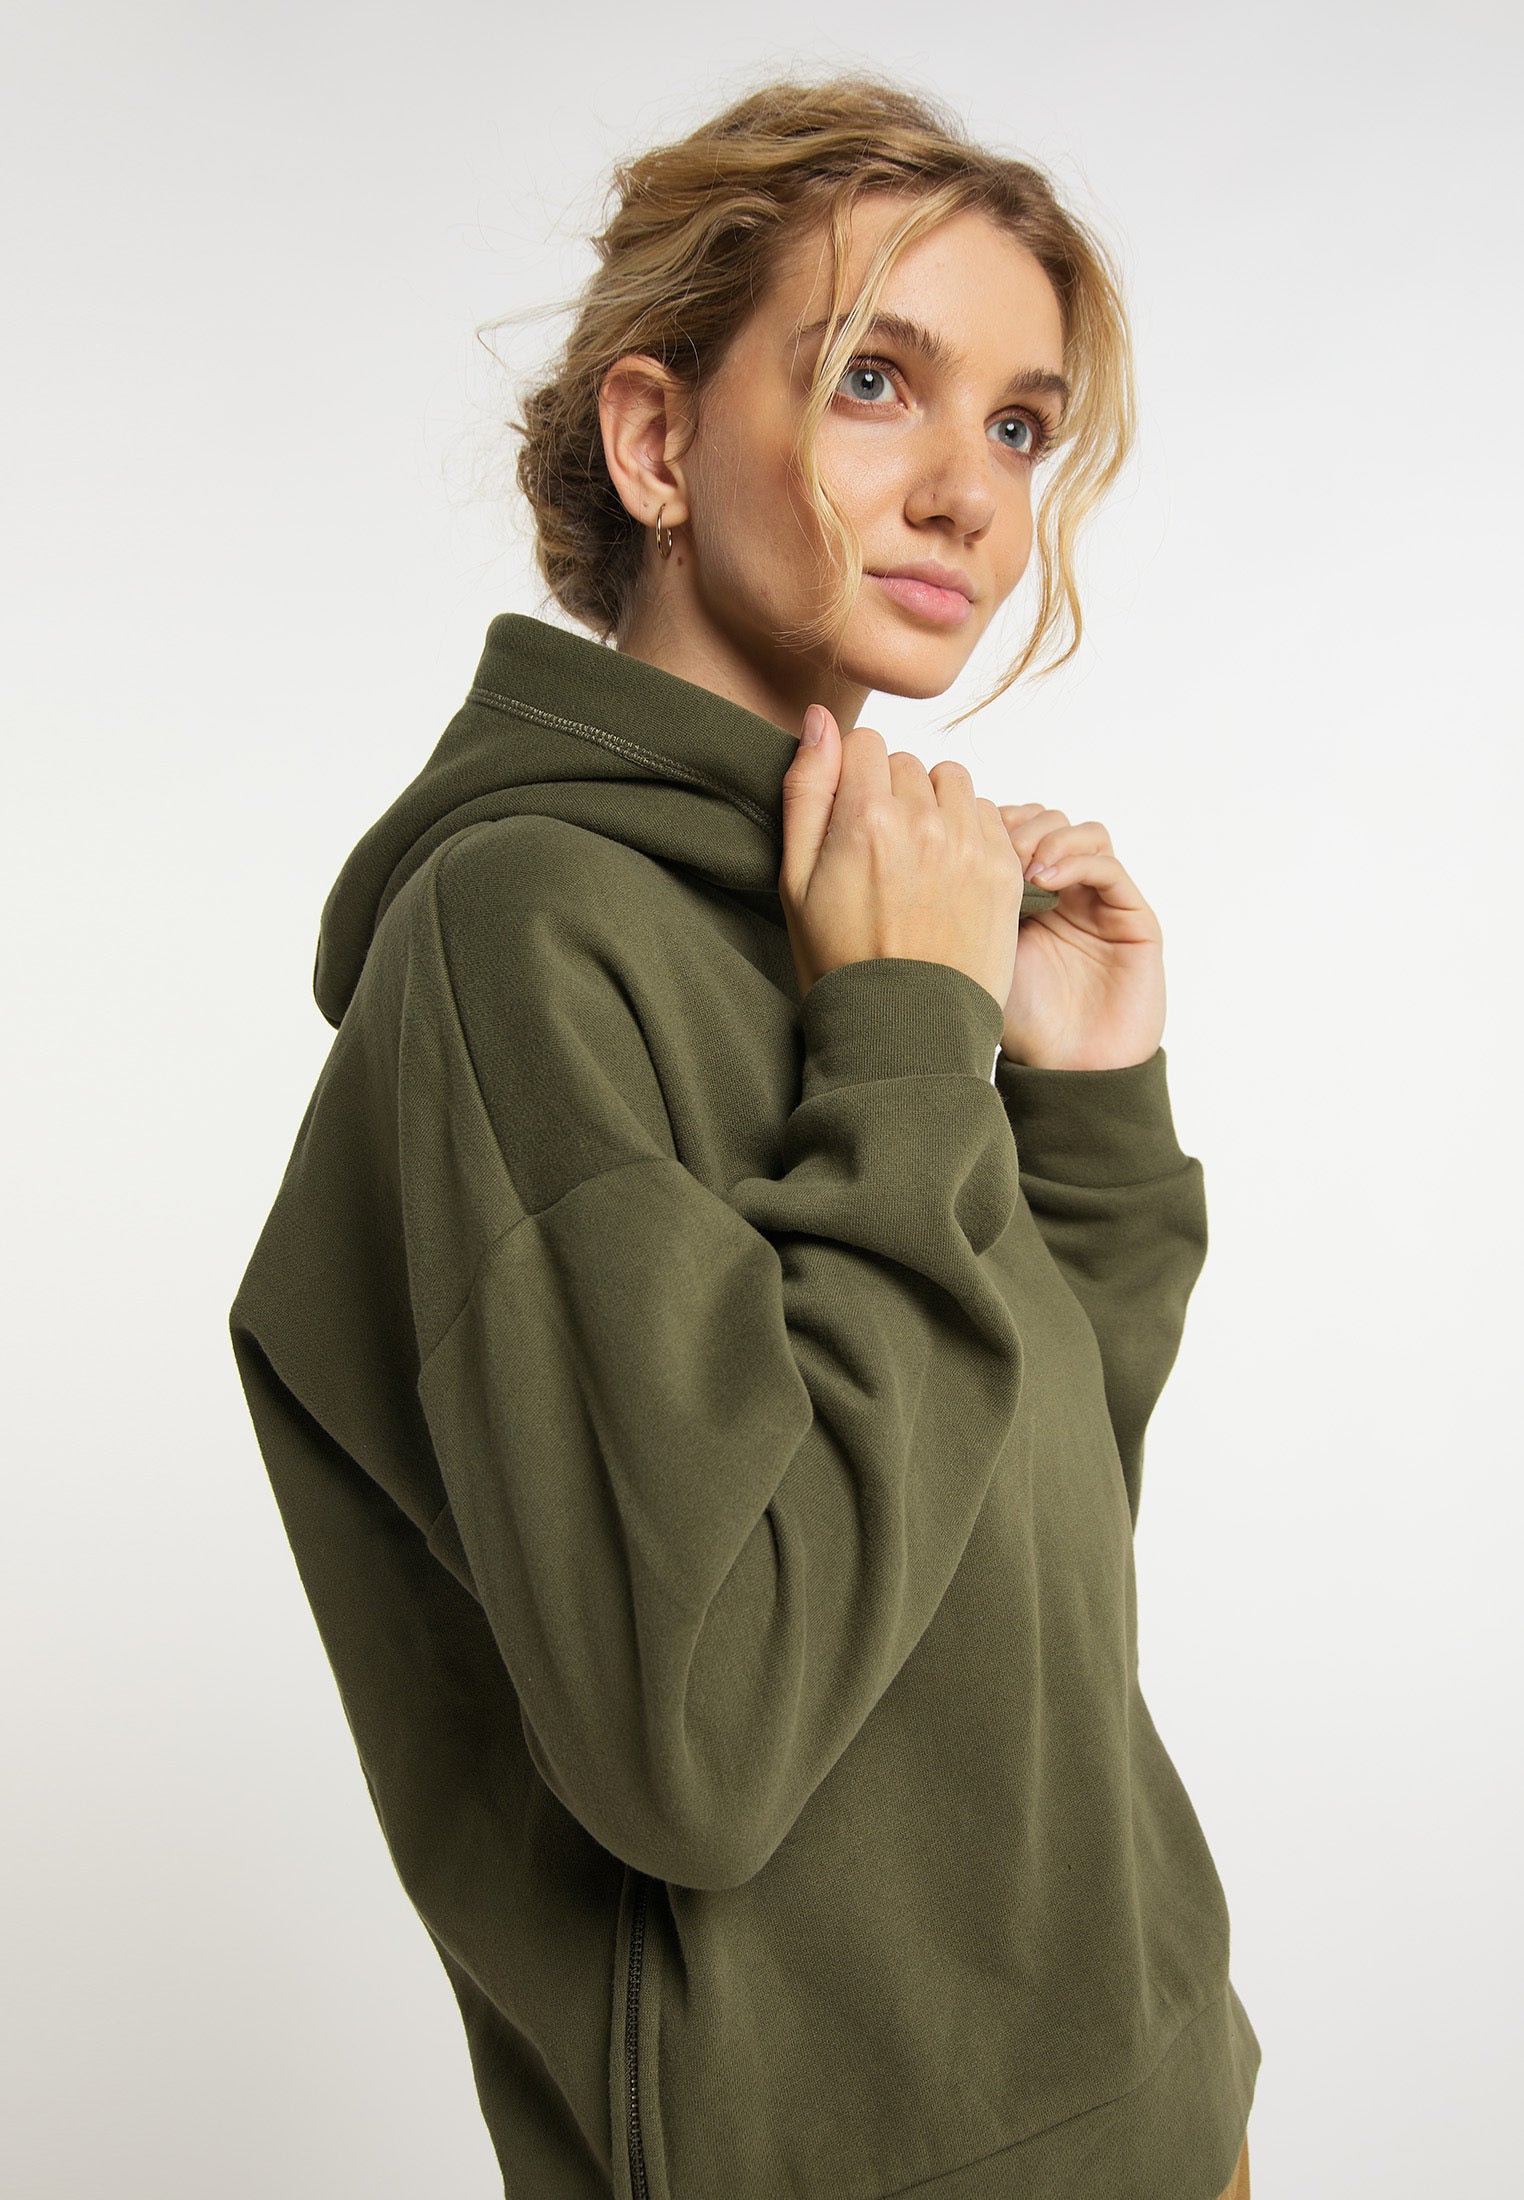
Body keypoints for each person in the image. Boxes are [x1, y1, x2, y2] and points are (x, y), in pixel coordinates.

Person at [229, 70, 1259, 2200]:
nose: (972, 495)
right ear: (656, 443)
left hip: (1168, 2123)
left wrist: (1079, 1120)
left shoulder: (862, 907)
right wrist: (903, 1053)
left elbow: (1011, 1560)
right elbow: (699, 1733)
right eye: (879, 378)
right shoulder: (523, 931)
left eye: (1022, 424)